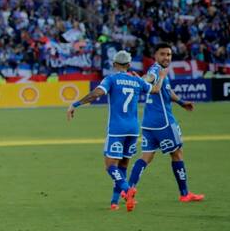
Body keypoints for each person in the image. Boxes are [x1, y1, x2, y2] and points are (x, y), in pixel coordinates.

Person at [67, 50, 166, 211]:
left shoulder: (111, 79)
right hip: (133, 129)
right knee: (123, 165)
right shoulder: (137, 80)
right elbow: (155, 90)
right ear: (129, 65)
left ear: (114, 64)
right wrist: (161, 76)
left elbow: (97, 93)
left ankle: (127, 190)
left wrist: (76, 104)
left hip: (117, 129)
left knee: (110, 165)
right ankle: (114, 202)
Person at [127, 43, 205, 203]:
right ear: (155, 56)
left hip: (148, 123)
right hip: (164, 122)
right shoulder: (157, 70)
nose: (166, 57)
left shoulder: (158, 70)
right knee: (177, 154)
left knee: (146, 157)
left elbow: (166, 91)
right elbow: (149, 79)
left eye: (169, 54)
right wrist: (143, 79)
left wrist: (181, 102)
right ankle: (185, 194)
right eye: (162, 54)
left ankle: (128, 189)